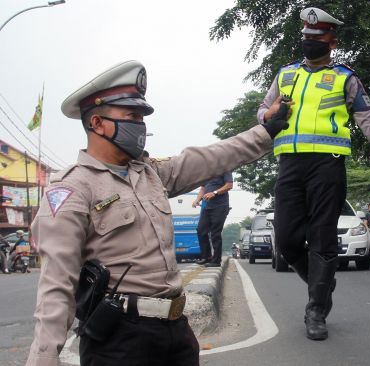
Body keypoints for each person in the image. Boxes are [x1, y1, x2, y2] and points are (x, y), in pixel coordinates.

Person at [25, 60, 289, 366]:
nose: (140, 125)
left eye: (141, 116)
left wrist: (266, 130)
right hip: (119, 340)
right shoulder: (73, 188)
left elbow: (213, 157)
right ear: (97, 123)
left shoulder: (150, 173)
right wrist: (44, 359)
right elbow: (57, 284)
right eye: (131, 116)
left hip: (176, 331)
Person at [257, 7, 370, 341]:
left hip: (327, 166)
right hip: (289, 164)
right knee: (286, 240)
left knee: (322, 239)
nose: (309, 42)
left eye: (316, 38)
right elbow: (263, 111)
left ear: (331, 41)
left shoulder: (346, 78)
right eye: (305, 37)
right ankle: (323, 281)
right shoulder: (285, 74)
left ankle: (316, 310)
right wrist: (269, 112)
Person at [192, 171, 233, 267]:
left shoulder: (225, 168)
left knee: (215, 233)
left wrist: (215, 192)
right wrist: (198, 199)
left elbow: (229, 185)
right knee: (201, 230)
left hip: (220, 206)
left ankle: (216, 260)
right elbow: (203, 188)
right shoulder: (207, 171)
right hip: (208, 206)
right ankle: (206, 257)